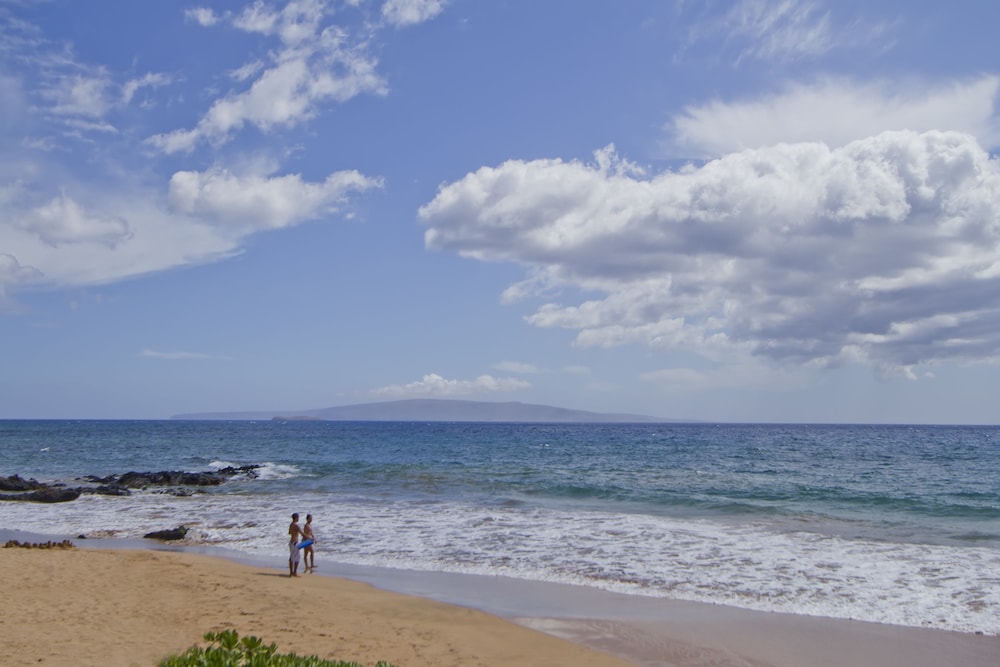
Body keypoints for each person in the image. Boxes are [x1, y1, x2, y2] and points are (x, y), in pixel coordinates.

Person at [287, 512, 302, 577]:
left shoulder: (291, 524)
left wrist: (294, 532)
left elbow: (289, 532)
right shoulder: (296, 525)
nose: (298, 518)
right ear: (296, 518)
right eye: (298, 517)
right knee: (297, 557)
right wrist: (310, 538)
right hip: (295, 543)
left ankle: (291, 572)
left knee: (292, 557)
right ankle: (294, 572)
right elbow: (302, 533)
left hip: (291, 542)